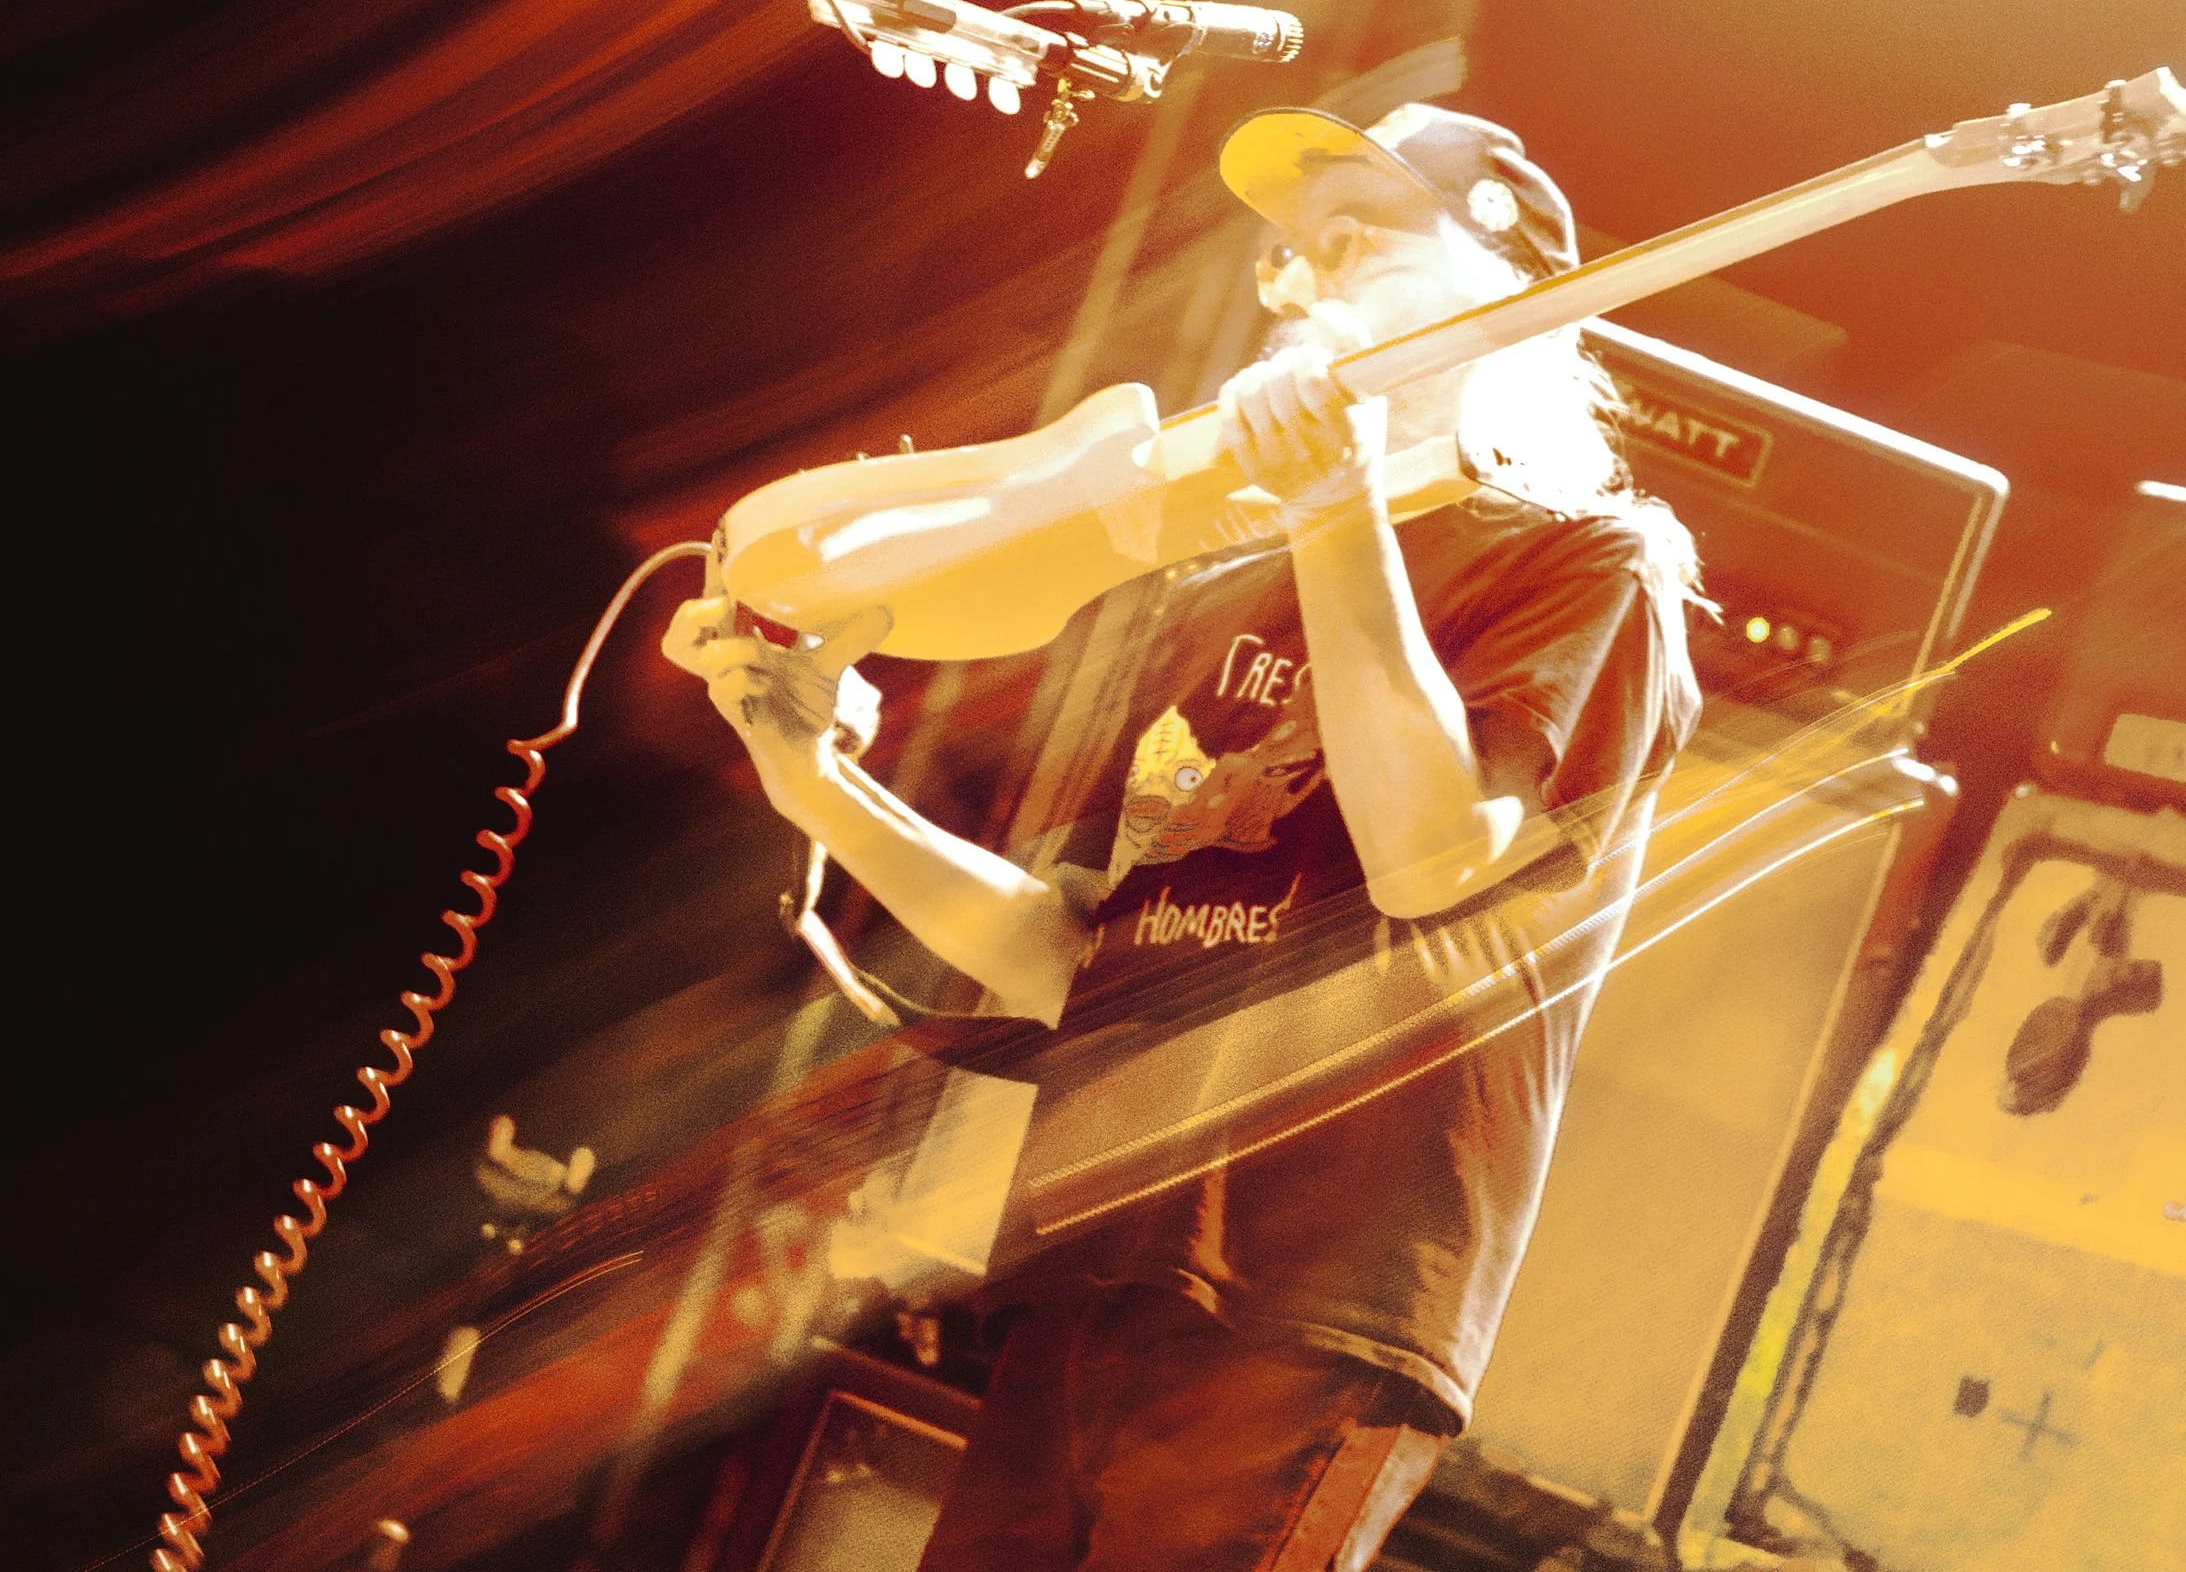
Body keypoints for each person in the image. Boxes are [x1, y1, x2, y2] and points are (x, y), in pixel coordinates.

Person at [665, 102, 1702, 1571]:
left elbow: (1426, 851)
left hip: (1316, 1288)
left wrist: (1340, 506)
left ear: (1510, 270)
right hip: (1100, 1260)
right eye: (1286, 260)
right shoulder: (1214, 591)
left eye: (1353, 243)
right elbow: (1061, 957)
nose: (1294, 285)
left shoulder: (1588, 565)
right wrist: (812, 779)